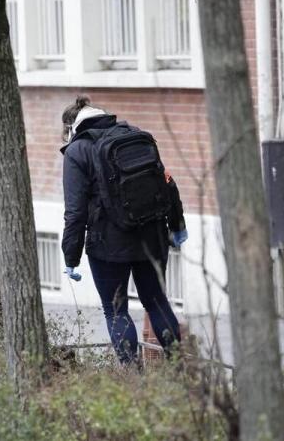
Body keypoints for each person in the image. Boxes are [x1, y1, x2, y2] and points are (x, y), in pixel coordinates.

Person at [60, 96, 188, 365]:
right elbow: (167, 183)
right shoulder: (136, 137)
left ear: (71, 127)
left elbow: (75, 212)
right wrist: (177, 227)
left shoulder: (77, 150)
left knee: (116, 311)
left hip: (109, 244)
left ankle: (133, 376)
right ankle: (180, 371)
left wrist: (71, 258)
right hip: (152, 236)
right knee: (156, 302)